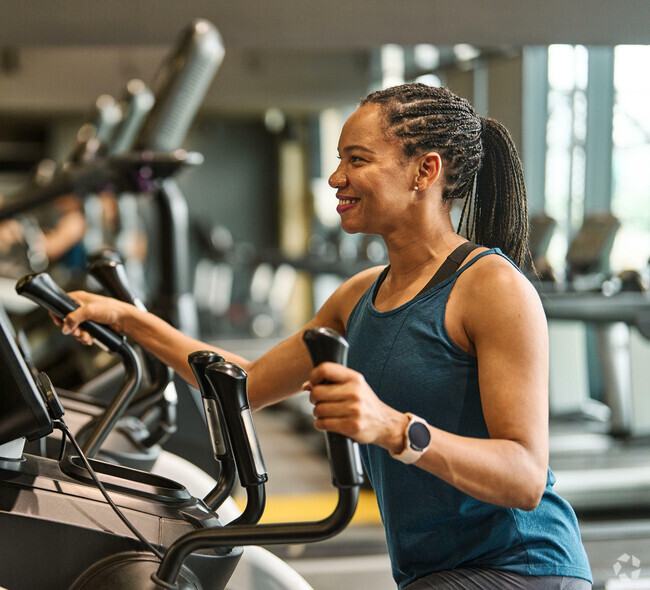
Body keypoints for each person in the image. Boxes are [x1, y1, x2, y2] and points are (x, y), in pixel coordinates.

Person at [56, 83, 592, 589]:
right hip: (434, 574)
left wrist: (391, 427)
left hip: (523, 568)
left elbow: (524, 476)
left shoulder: (492, 287)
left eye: (356, 160)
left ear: (425, 171)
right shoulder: (359, 294)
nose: (336, 178)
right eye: (339, 160)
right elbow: (243, 383)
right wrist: (130, 319)